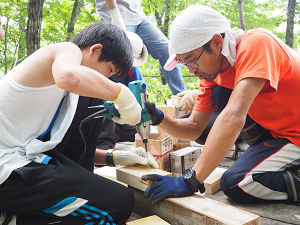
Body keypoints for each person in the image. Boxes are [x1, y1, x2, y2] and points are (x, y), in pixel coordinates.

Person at [0, 21, 158, 225]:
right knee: (117, 205)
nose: (108, 78)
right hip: (8, 172)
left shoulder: (67, 95)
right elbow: (68, 77)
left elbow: (67, 151)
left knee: (118, 198)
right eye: (109, 70)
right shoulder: (66, 50)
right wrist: (121, 94)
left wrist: (115, 157)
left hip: (19, 164)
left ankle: (18, 217)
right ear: (95, 49)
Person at [142, 4, 300, 205]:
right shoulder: (212, 73)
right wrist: (158, 118)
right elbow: (194, 128)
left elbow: (234, 116)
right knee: (220, 94)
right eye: (184, 64)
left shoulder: (257, 44)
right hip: (280, 133)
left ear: (217, 42)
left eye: (191, 60)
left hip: (296, 135)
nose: (190, 70)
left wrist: (192, 179)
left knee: (237, 183)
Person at [95, 0, 187, 95]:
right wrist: (114, 13)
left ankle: (181, 96)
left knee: (167, 51)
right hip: (115, 16)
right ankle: (121, 101)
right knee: (124, 61)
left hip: (138, 16)